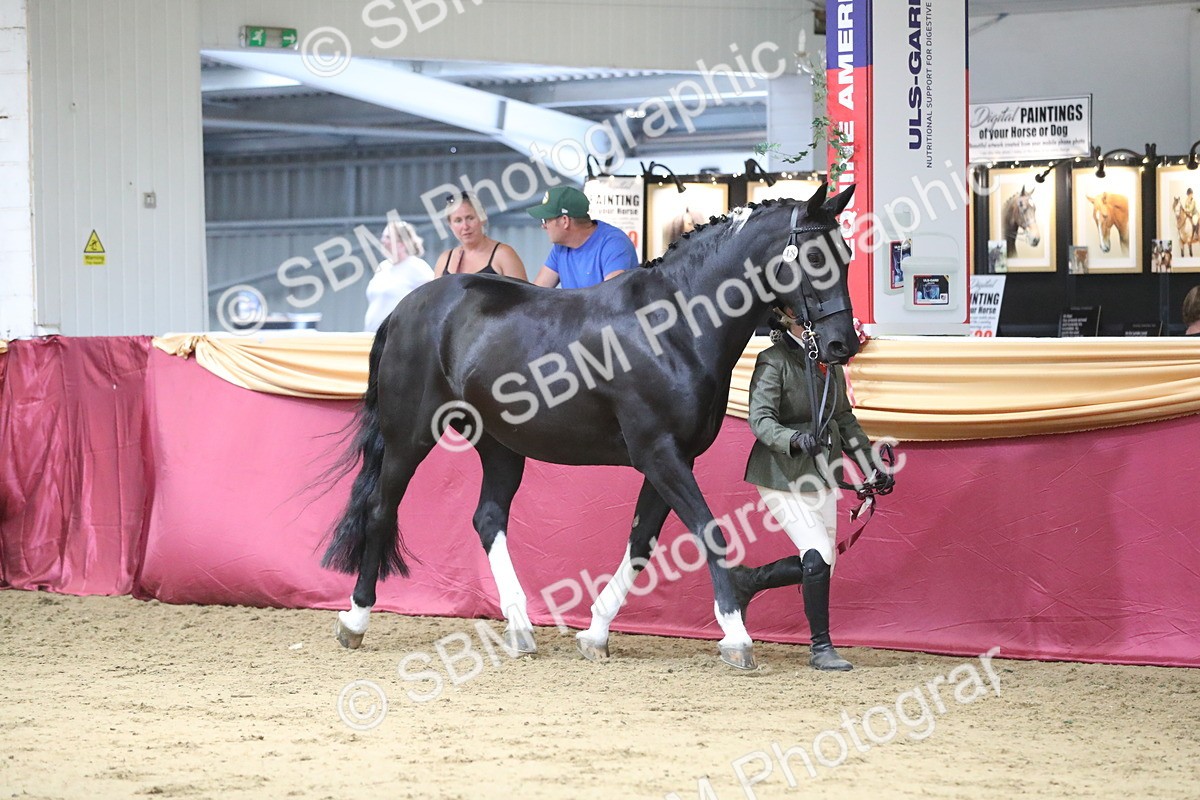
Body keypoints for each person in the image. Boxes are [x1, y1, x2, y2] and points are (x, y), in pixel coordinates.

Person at [741, 309, 892, 671]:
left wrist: (871, 465)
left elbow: (843, 418)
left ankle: (745, 581)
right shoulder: (772, 360)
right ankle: (820, 647)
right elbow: (760, 419)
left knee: (824, 562)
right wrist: (793, 438)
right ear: (787, 322)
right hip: (780, 472)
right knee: (819, 554)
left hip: (821, 471)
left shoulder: (828, 360)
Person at [527, 186, 639, 288]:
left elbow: (611, 300)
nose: (543, 226)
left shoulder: (614, 244)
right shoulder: (560, 248)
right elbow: (536, 295)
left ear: (565, 221)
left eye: (546, 220)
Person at [432, 191, 527, 281]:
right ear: (450, 225)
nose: (465, 226)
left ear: (482, 218)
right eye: (458, 220)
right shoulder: (444, 260)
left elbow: (525, 296)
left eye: (470, 218)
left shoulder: (503, 254)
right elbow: (435, 297)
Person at [363, 219, 434, 332]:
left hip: (397, 338)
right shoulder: (383, 267)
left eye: (388, 237)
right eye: (383, 237)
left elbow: (434, 300)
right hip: (372, 336)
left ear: (402, 243)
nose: (383, 241)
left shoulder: (417, 267)